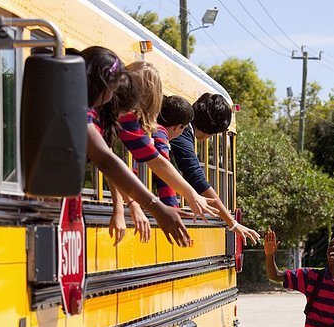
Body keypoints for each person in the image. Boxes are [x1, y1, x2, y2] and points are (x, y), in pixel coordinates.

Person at [79, 46, 191, 248]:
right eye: (113, 92)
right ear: (101, 85)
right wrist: (157, 207)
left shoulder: (90, 111)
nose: (113, 100)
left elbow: (109, 159)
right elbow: (107, 160)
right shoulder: (83, 110)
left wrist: (130, 206)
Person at [104, 61, 218, 222]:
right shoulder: (134, 122)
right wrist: (179, 201)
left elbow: (110, 162)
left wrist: (128, 205)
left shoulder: (123, 119)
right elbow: (159, 165)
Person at [170, 93, 261, 245]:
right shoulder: (182, 131)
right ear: (213, 130)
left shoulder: (184, 131)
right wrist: (232, 223)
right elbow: (197, 180)